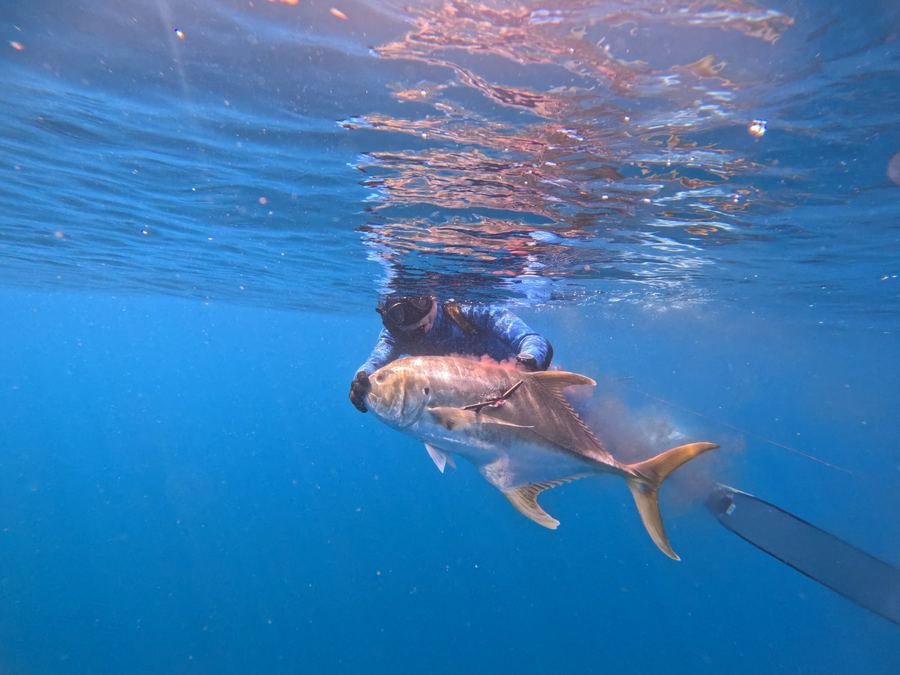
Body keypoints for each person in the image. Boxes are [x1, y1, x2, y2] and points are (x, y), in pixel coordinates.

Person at [349, 295, 553, 412]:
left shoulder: (467, 310)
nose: (419, 314)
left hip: (532, 389)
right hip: (485, 407)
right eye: (404, 313)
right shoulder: (395, 336)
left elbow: (531, 339)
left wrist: (527, 363)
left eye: (421, 300)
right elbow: (375, 363)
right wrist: (361, 383)